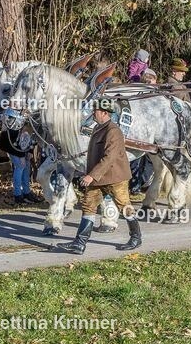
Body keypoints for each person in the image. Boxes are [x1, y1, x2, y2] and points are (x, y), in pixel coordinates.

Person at [59, 98, 140, 254]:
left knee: (125, 208)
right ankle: (79, 243)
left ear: (104, 113)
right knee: (88, 206)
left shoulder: (113, 131)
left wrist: (91, 176)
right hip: (98, 178)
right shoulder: (98, 127)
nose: (92, 114)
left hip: (115, 177)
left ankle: (136, 238)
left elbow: (110, 157)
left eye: (95, 111)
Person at [0, 126, 35, 205]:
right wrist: (21, 155)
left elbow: (32, 136)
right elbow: (17, 139)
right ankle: (17, 195)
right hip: (11, 146)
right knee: (20, 166)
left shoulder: (32, 120)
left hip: (23, 147)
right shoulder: (16, 121)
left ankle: (26, 193)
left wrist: (31, 150)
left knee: (27, 167)